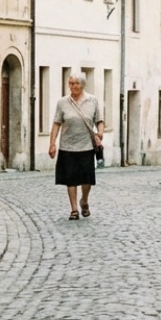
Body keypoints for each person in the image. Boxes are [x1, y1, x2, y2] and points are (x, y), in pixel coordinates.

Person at [48, 72, 103, 220]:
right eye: (71, 83)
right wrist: (52, 143)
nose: (74, 86)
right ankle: (74, 209)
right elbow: (56, 123)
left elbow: (99, 120)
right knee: (70, 179)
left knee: (86, 180)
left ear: (83, 85)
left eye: (77, 83)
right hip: (68, 146)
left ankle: (84, 200)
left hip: (86, 146)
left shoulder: (92, 101)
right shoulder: (62, 102)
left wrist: (100, 134)